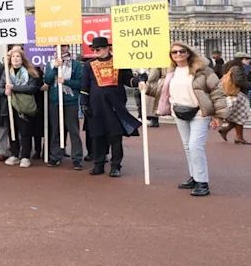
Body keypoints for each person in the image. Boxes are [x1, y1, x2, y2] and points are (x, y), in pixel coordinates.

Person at [143, 42, 219, 196]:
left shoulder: (203, 70)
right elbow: (159, 90)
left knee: (195, 145)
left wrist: (218, 115)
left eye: (181, 51)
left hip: (200, 112)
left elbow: (217, 91)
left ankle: (202, 182)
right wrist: (143, 86)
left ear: (189, 52)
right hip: (179, 111)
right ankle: (194, 176)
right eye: (174, 52)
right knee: (187, 146)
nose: (178, 54)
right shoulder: (170, 72)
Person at [80, 37, 140, 177]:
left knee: (115, 136)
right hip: (96, 105)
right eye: (93, 49)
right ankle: (98, 164)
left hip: (115, 104)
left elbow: (128, 79)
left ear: (107, 48)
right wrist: (84, 102)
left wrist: (137, 81)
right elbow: (85, 86)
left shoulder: (120, 62)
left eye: (98, 49)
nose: (95, 51)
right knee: (97, 135)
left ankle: (116, 166)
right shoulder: (89, 65)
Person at [0, 48, 41, 168]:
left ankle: (25, 156)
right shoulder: (6, 72)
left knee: (25, 132)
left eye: (18, 57)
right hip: (10, 106)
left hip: (24, 106)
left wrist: (13, 88)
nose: (15, 59)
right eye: (13, 57)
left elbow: (32, 88)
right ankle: (15, 154)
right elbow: (0, 88)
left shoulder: (29, 71)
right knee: (12, 131)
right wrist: (4, 91)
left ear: (22, 59)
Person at [43, 46, 84, 169]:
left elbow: (80, 84)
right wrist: (55, 67)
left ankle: (77, 159)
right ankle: (55, 156)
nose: (62, 48)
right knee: (55, 129)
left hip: (70, 101)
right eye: (58, 46)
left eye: (64, 46)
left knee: (73, 130)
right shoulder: (50, 63)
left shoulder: (76, 65)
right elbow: (47, 80)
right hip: (55, 101)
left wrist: (66, 82)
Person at [217, 53, 251, 145]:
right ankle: (230, 132)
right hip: (238, 93)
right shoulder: (237, 68)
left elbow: (243, 79)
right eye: (248, 59)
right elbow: (239, 81)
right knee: (241, 115)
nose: (249, 61)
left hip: (234, 93)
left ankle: (237, 136)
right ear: (242, 59)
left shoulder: (230, 66)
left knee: (238, 116)